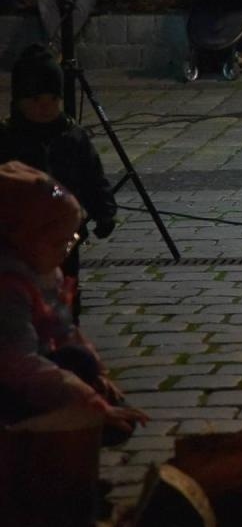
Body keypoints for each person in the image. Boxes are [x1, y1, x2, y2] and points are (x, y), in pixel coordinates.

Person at [0, 161, 147, 439]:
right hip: (13, 378)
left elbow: (63, 329)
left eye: (72, 240)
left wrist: (96, 377)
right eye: (59, 243)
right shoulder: (8, 288)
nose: (67, 251)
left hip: (34, 365)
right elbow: (18, 364)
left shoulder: (44, 271)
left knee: (80, 359)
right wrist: (83, 396)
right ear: (18, 239)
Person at [0, 47, 116, 322]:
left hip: (65, 236)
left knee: (66, 288)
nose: (46, 106)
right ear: (19, 101)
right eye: (36, 99)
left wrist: (104, 211)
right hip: (19, 236)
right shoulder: (7, 139)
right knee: (22, 292)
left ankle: (66, 330)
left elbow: (93, 178)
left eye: (53, 99)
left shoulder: (73, 137)